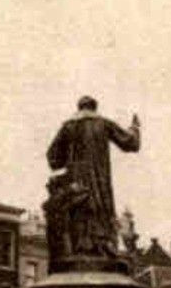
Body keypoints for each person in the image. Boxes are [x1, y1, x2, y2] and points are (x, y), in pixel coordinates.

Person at [45, 96, 141, 263]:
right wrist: (135, 127)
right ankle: (101, 246)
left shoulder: (68, 126)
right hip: (99, 178)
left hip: (75, 179)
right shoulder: (103, 123)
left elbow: (52, 157)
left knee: (78, 210)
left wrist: (68, 160)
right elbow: (130, 143)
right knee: (100, 208)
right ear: (95, 108)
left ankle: (81, 248)